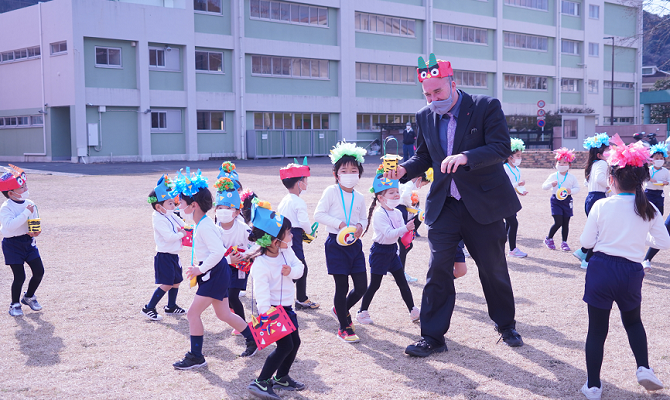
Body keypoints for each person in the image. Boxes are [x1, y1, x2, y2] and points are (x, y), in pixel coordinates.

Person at [387, 54, 523, 357]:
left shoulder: (486, 106)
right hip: (445, 203)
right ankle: (433, 337)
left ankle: (506, 324)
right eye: (428, 94)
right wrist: (403, 171)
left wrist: (466, 158)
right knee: (438, 269)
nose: (434, 98)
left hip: (483, 202)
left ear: (453, 84)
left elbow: (501, 147)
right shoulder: (425, 115)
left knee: (493, 268)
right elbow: (424, 156)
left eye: (438, 92)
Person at [579, 135, 669, 399]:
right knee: (633, 322)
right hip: (631, 271)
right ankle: (643, 367)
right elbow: (663, 241)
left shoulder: (601, 204)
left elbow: (586, 242)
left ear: (612, 179)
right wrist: (642, 237)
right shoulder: (648, 206)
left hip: (601, 269)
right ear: (642, 179)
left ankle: (593, 386)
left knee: (597, 329)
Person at [171, 168, 257, 370]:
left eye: (181, 201)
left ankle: (196, 356)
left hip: (214, 274)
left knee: (192, 314)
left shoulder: (205, 225)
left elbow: (218, 252)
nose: (179, 204)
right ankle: (253, 339)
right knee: (224, 314)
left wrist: (200, 270)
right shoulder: (204, 223)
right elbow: (215, 238)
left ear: (194, 205)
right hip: (216, 273)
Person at [247, 199, 305, 400]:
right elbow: (262, 296)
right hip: (272, 311)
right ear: (274, 241)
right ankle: (260, 382)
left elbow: (300, 268)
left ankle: (281, 377)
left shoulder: (287, 251)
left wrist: (291, 272)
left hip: (288, 308)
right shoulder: (261, 264)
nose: (291, 235)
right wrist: (267, 317)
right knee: (285, 346)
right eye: (288, 232)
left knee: (295, 342)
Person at [314, 141, 368, 344]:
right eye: (344, 170)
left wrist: (361, 226)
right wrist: (339, 223)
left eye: (353, 170)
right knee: (342, 286)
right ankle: (344, 327)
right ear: (336, 174)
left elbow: (363, 218)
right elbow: (318, 214)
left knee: (362, 286)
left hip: (354, 244)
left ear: (359, 174)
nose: (349, 173)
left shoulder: (360, 197)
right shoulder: (331, 191)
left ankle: (340, 309)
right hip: (335, 245)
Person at [356, 167, 420, 325]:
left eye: (396, 192)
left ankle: (413, 310)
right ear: (381, 198)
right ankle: (362, 312)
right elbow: (390, 234)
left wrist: (416, 221)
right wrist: (406, 228)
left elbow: (402, 234)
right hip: (380, 252)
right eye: (391, 193)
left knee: (402, 282)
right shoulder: (379, 214)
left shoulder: (398, 212)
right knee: (375, 284)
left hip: (392, 252)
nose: (396, 195)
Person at [142, 175, 187, 321]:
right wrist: (181, 233)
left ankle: (171, 306)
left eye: (173, 203)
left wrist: (188, 227)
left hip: (173, 254)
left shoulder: (169, 213)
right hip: (164, 256)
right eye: (170, 204)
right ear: (158, 207)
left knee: (176, 281)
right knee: (167, 283)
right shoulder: (158, 218)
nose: (173, 206)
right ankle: (149, 307)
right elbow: (168, 236)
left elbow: (181, 222)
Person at [1, 165, 44, 317]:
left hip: (28, 242)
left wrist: (35, 231)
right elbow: (9, 226)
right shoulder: (6, 207)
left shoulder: (29, 203)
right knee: (20, 276)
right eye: (22, 187)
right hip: (12, 244)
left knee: (39, 271)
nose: (25, 188)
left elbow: (34, 222)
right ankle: (14, 304)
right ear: (11, 193)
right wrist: (27, 212)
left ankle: (29, 296)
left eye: (25, 185)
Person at [277, 159, 320, 310]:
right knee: (300, 266)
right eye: (305, 180)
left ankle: (293, 297)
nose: (306, 183)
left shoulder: (285, 199)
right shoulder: (298, 202)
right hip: (294, 235)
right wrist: (310, 232)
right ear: (298, 182)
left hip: (283, 235)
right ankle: (300, 298)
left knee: (292, 266)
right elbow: (304, 223)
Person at [213, 176, 253, 334]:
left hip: (240, 268)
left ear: (237, 212)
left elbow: (254, 244)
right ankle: (237, 320)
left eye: (228, 208)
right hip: (224, 266)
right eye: (220, 207)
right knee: (226, 297)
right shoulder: (215, 228)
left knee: (233, 295)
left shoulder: (243, 227)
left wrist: (246, 256)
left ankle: (242, 326)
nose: (224, 211)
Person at [573, 134, 611, 269]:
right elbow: (600, 179)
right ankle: (587, 260)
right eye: (606, 150)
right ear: (600, 154)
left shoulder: (593, 164)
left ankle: (582, 252)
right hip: (598, 198)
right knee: (598, 231)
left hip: (591, 198)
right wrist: (610, 185)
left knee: (595, 229)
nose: (609, 152)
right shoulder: (602, 163)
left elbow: (586, 182)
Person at [542, 148, 580, 252]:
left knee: (566, 222)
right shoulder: (553, 176)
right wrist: (551, 184)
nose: (561, 165)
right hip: (555, 200)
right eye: (559, 162)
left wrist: (570, 191)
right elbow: (544, 186)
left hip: (567, 200)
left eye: (564, 163)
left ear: (569, 165)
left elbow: (577, 188)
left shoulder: (572, 177)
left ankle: (564, 242)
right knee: (558, 221)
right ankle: (549, 238)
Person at [396, 171, 431, 282]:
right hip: (402, 213)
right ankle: (400, 272)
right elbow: (405, 196)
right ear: (419, 178)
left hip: (403, 212)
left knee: (406, 245)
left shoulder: (405, 183)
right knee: (404, 244)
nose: (420, 187)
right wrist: (410, 204)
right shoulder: (408, 184)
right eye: (422, 184)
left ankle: (393, 265)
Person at [641, 142, 670, 272]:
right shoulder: (649, 169)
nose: (659, 161)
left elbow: (668, 181)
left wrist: (665, 182)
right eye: (656, 158)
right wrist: (650, 180)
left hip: (660, 195)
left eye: (661, 158)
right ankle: (646, 258)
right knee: (647, 215)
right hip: (649, 194)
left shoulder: (666, 171)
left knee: (659, 214)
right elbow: (644, 179)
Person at [504, 138, 528, 258]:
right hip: (504, 199)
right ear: (509, 156)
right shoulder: (504, 168)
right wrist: (517, 185)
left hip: (512, 199)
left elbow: (515, 185)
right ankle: (512, 249)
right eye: (517, 155)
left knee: (508, 223)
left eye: (520, 156)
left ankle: (500, 246)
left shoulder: (517, 169)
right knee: (513, 223)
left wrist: (521, 191)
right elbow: (504, 185)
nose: (519, 158)